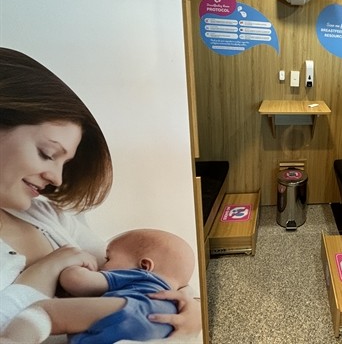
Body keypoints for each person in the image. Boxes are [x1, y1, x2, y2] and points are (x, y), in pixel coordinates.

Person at [0, 47, 201, 338]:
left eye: (64, 163)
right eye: (47, 153)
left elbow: (148, 273)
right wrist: (45, 271)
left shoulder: (46, 214)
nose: (56, 179)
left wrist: (189, 308)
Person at [1, 229, 195, 343]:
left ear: (144, 265)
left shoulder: (139, 277)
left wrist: (76, 269)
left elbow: (75, 282)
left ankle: (12, 341)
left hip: (132, 308)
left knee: (46, 311)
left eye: (108, 258)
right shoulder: (174, 300)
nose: (103, 265)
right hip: (161, 329)